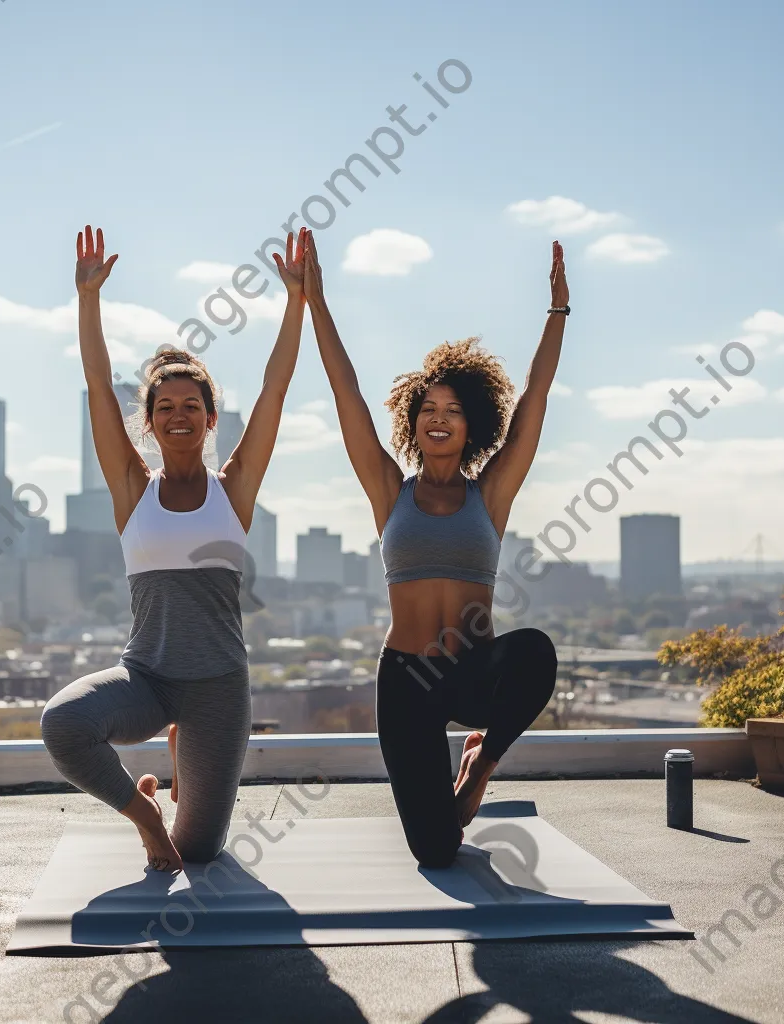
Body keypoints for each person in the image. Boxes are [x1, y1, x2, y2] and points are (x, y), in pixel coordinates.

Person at [41, 224, 311, 871]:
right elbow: (99, 387)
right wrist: (87, 299)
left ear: (211, 419)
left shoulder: (234, 489)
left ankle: (183, 765)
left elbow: (274, 391)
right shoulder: (133, 488)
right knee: (62, 725)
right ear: (151, 420)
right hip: (149, 677)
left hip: (219, 686)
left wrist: (296, 301)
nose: (179, 414)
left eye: (192, 405)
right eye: (165, 406)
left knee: (201, 853)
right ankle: (145, 810)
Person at [302, 234, 564, 869]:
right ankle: (449, 798)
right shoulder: (390, 490)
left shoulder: (491, 494)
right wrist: (315, 299)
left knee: (535, 652)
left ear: (473, 424)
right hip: (407, 679)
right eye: (427, 408)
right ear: (413, 420)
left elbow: (534, 403)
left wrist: (556, 314)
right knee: (437, 851)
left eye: (452, 409)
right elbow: (346, 394)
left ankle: (480, 764)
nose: (438, 417)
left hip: (473, 670)